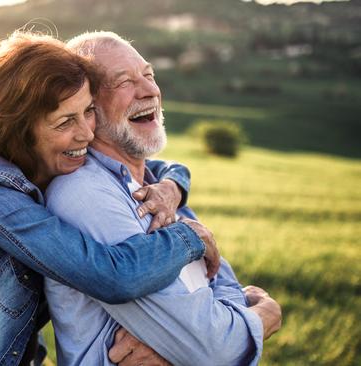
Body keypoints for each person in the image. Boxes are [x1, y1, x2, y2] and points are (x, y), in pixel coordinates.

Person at [0, 30, 221, 366]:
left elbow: (160, 166)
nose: (86, 133)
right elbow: (112, 276)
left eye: (87, 111)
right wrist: (190, 236)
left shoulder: (53, 165)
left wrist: (173, 186)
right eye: (64, 122)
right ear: (19, 130)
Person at [44, 31, 282, 366]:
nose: (150, 90)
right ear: (88, 108)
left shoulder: (163, 192)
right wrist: (266, 315)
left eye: (149, 75)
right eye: (125, 81)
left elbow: (219, 283)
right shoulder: (84, 196)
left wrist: (211, 328)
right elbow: (214, 350)